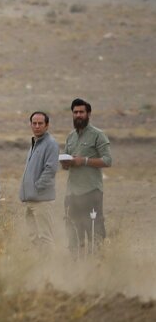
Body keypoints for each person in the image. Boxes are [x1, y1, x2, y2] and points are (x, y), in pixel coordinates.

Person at [62, 98, 112, 253]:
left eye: (81, 112)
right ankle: (75, 263)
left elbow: (107, 160)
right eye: (75, 112)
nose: (78, 115)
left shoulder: (98, 135)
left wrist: (84, 161)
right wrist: (66, 163)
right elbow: (68, 160)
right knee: (73, 232)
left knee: (95, 232)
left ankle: (97, 262)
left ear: (88, 114)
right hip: (72, 193)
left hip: (91, 192)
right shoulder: (71, 136)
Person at [18, 110, 59, 248]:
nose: (37, 126)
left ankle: (51, 262)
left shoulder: (51, 143)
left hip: (42, 200)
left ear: (47, 125)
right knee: (33, 237)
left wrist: (37, 187)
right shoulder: (35, 143)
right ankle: (39, 261)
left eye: (40, 123)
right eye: (34, 123)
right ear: (30, 124)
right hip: (30, 199)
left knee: (45, 238)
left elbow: (50, 169)